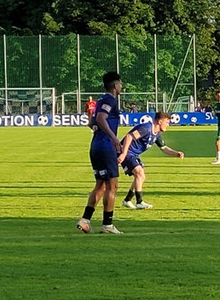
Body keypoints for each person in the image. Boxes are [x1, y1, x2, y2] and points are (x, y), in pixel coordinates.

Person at [77, 71, 124, 234]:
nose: (121, 86)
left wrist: (92, 117)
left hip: (95, 145)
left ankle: (85, 220)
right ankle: (107, 224)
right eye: (120, 84)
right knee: (113, 185)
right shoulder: (110, 99)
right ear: (115, 85)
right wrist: (114, 137)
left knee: (101, 184)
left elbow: (92, 122)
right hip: (105, 146)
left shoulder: (101, 100)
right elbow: (101, 118)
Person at [119, 111, 184, 209]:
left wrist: (176, 153)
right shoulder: (146, 128)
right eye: (167, 122)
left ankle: (127, 200)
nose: (168, 125)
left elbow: (164, 148)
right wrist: (123, 153)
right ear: (160, 121)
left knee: (141, 177)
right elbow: (129, 136)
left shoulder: (156, 133)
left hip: (133, 154)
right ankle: (139, 202)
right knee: (139, 173)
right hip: (126, 152)